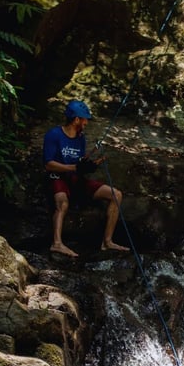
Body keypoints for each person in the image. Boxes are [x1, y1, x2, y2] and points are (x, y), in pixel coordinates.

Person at [42, 99, 129, 257]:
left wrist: (90, 165)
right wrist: (73, 168)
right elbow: (49, 164)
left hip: (75, 180)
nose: (86, 123)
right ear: (76, 119)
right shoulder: (54, 135)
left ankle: (107, 242)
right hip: (57, 178)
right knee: (62, 203)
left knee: (116, 195)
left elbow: (79, 163)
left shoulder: (80, 138)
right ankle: (57, 244)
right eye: (85, 119)